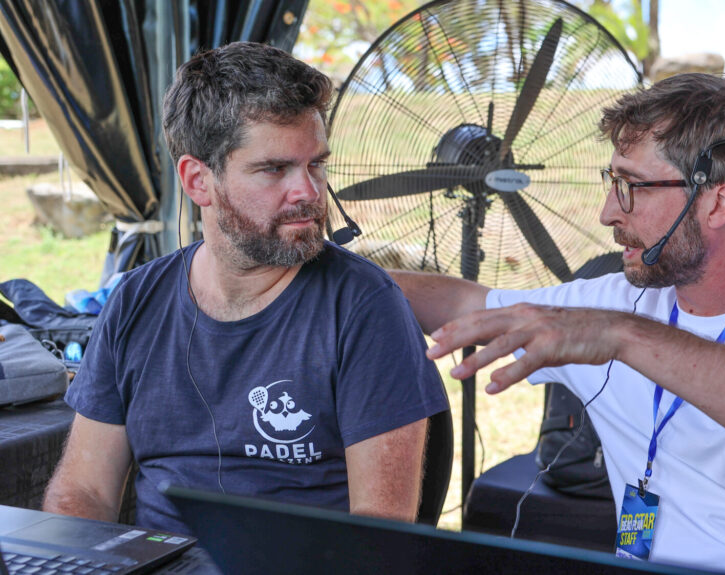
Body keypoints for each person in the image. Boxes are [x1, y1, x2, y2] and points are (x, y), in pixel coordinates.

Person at [392, 73, 725, 573]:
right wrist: (317, 263)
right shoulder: (613, 299)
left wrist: (623, 336)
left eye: (632, 186)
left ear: (716, 202)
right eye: (611, 182)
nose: (607, 213)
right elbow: (465, 304)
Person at [43, 42, 449, 534]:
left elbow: (380, 531)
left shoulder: (364, 307)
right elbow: (83, 490)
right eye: (275, 169)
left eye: (316, 164)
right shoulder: (134, 301)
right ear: (198, 181)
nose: (309, 192)